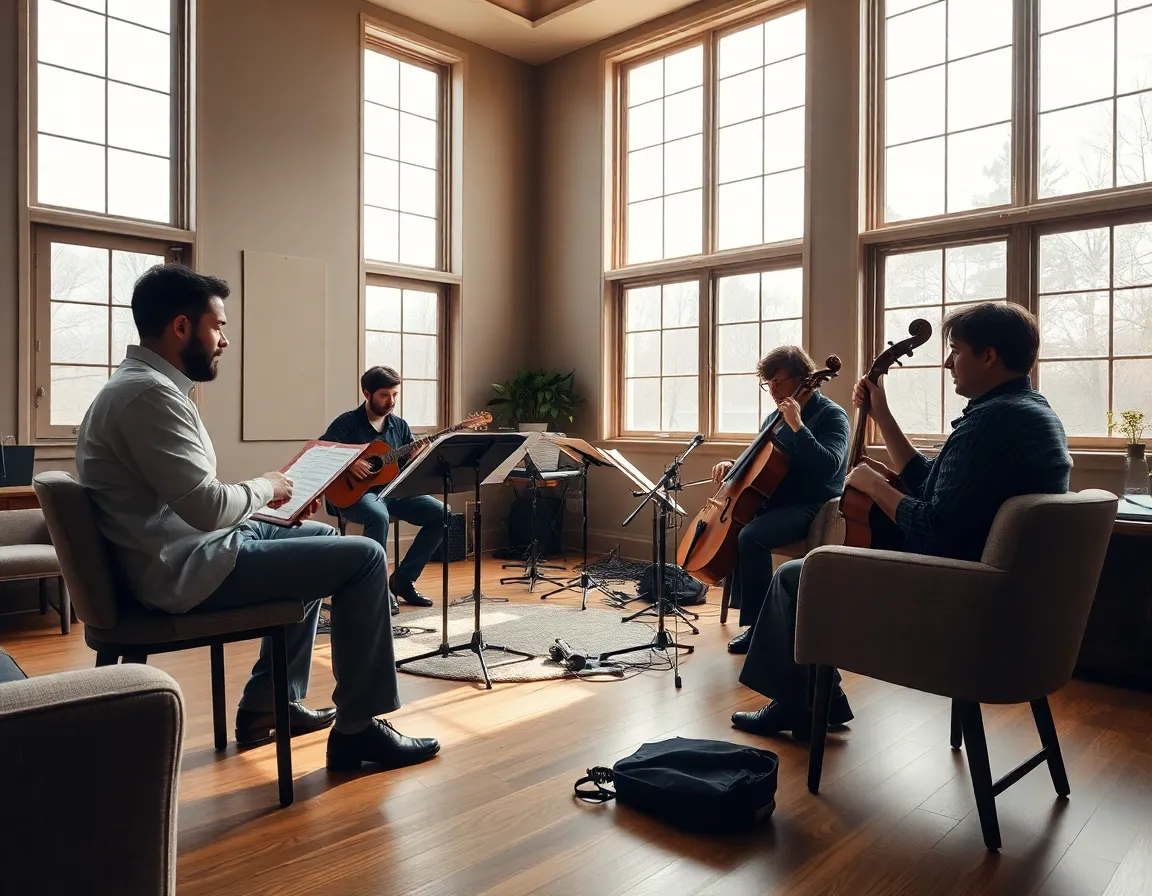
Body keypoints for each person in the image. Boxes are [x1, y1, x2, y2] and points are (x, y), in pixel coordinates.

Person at [76, 263, 439, 770]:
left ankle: (270, 705)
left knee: (313, 532)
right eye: (218, 326)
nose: (223, 340)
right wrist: (267, 486)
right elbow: (205, 507)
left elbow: (191, 501)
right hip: (184, 569)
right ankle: (357, 730)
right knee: (362, 557)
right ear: (182, 327)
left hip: (182, 548)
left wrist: (272, 502)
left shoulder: (144, 389)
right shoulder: (149, 397)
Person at [733, 302, 1072, 738]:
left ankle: (800, 704)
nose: (948, 362)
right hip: (993, 596)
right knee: (805, 567)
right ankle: (820, 698)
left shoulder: (992, 423)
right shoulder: (1029, 412)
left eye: (956, 351)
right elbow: (935, 485)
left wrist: (876, 488)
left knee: (800, 575)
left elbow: (931, 522)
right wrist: (883, 417)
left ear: (989, 356)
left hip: (954, 594)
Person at [711, 346, 850, 655]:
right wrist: (732, 465)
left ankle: (760, 628)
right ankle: (755, 615)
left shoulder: (831, 415)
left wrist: (798, 426)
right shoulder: (774, 418)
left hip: (812, 506)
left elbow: (829, 464)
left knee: (752, 536)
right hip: (776, 500)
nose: (772, 389)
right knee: (734, 527)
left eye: (779, 381)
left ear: (803, 379)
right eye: (768, 382)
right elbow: (763, 462)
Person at [321, 367, 443, 616]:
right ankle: (376, 587)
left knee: (443, 514)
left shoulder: (399, 426)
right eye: (385, 395)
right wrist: (350, 461)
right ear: (367, 393)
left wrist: (416, 458)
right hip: (355, 495)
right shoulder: (348, 422)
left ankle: (404, 581)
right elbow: (322, 448)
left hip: (393, 492)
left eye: (395, 394)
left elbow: (406, 467)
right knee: (377, 515)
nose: (392, 401)